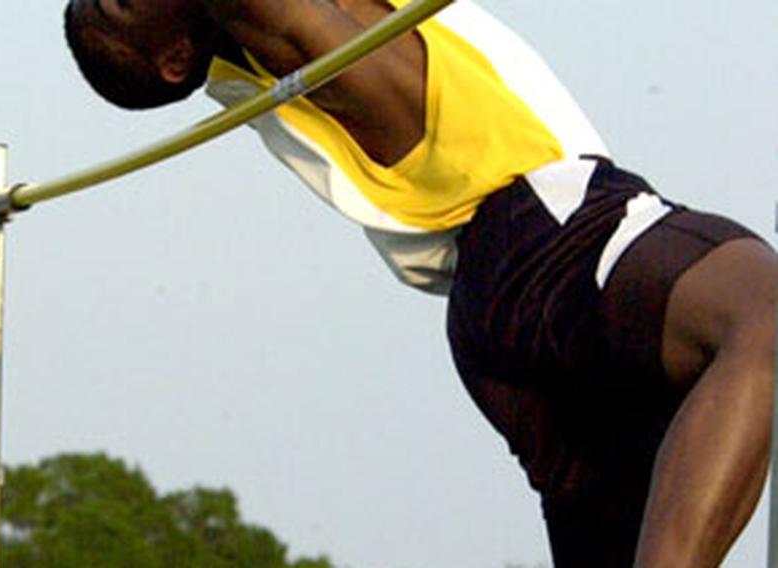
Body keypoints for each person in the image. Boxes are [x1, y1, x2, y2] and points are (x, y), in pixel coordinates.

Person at [61, 0, 777, 565]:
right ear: (176, 56)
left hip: (503, 306)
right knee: (765, 317)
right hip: (547, 239)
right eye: (123, 1)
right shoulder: (270, 25)